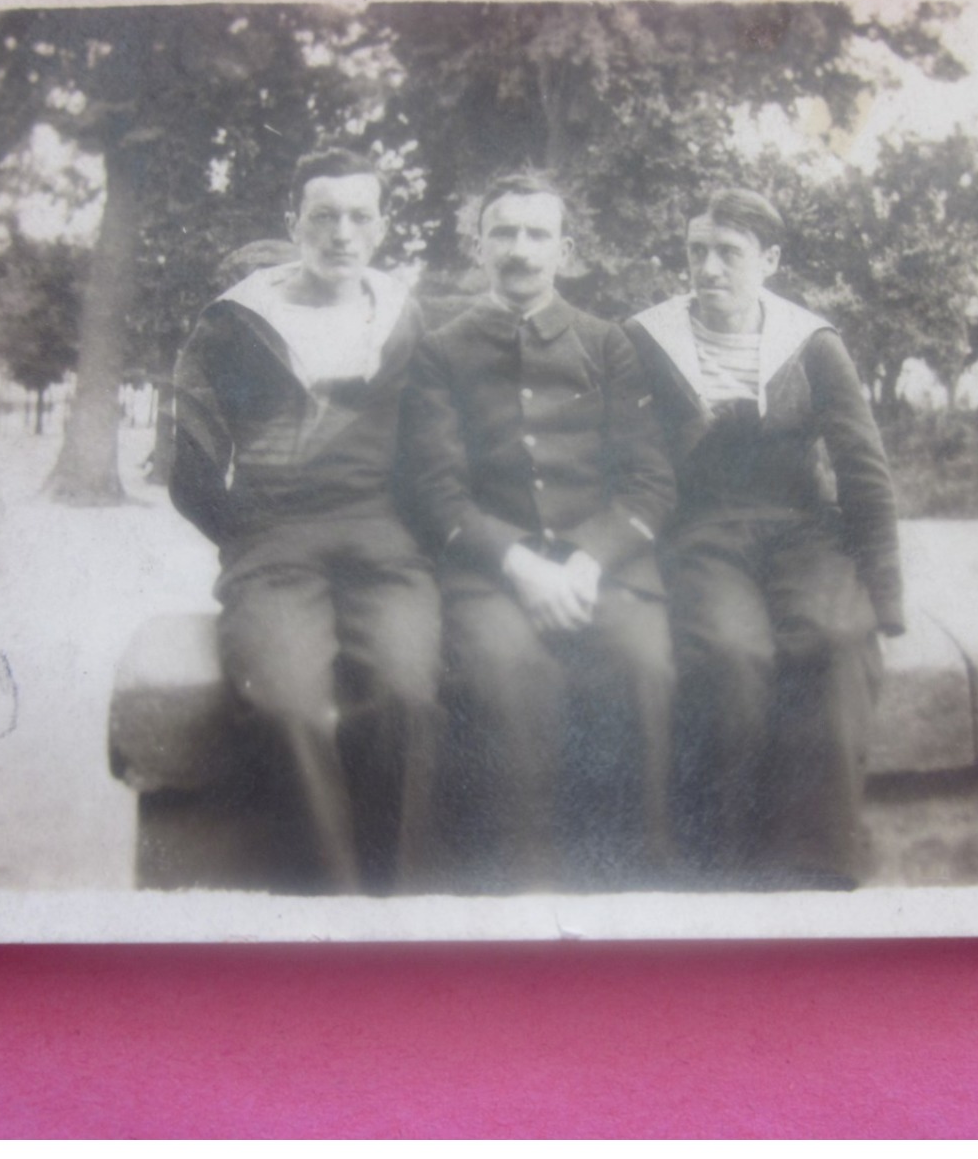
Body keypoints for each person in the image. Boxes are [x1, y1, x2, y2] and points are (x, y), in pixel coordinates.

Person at [170, 148, 441, 893]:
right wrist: (251, 534)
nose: (341, 233)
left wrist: (413, 538)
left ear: (380, 227)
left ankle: (393, 903)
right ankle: (332, 907)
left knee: (407, 691)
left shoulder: (402, 317)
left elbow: (428, 449)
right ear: (295, 225)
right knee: (286, 702)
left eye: (359, 216)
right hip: (271, 537)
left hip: (382, 537)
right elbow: (189, 470)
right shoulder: (233, 324)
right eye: (323, 216)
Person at [399, 174, 677, 890]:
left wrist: (587, 560)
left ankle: (635, 893)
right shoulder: (441, 349)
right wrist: (519, 565)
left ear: (566, 250)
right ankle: (520, 897)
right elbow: (436, 489)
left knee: (645, 667)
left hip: (603, 571)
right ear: (478, 246)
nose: (520, 250)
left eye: (537, 234)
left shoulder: (606, 343)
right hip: (491, 573)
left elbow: (649, 480)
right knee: (504, 673)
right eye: (503, 233)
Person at [625, 188, 904, 889]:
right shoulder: (646, 340)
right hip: (699, 531)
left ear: (769, 260)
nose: (708, 267)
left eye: (729, 253)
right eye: (696, 251)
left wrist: (885, 592)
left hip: (802, 529)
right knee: (729, 652)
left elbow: (861, 467)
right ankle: (724, 859)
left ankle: (818, 861)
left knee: (835, 639)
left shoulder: (809, 343)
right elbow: (626, 459)